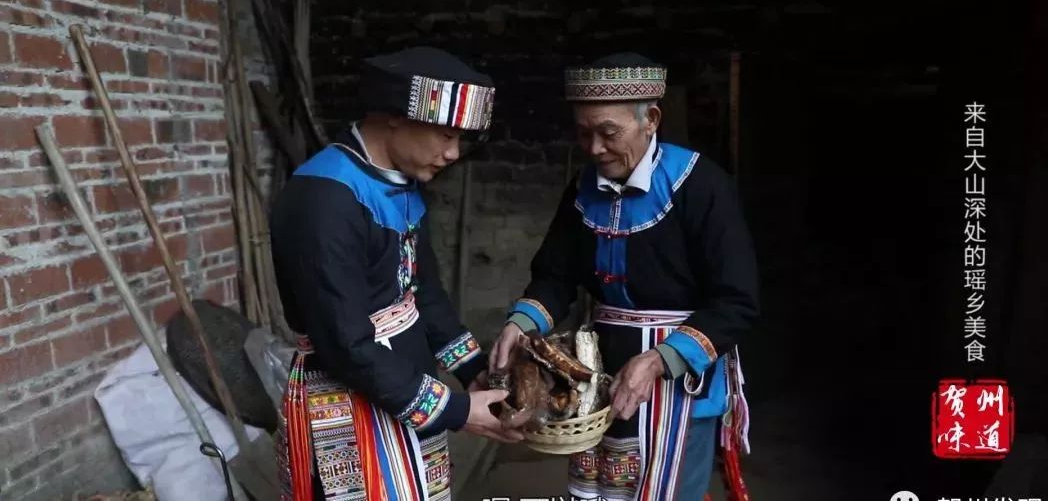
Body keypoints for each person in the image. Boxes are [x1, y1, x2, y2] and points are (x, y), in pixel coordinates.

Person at [490, 52, 759, 501]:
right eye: (583, 133)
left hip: (679, 377)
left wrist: (657, 361)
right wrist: (521, 324)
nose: (594, 148)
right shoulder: (583, 189)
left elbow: (737, 301)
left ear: (650, 120)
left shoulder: (699, 185)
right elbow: (555, 277)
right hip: (599, 372)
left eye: (608, 133)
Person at [271, 46, 522, 501]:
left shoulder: (399, 182)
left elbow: (422, 292)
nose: (453, 153)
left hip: (406, 385)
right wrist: (454, 410)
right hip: (348, 399)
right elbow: (344, 342)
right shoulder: (323, 198)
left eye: (461, 139)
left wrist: (473, 371)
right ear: (393, 117)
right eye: (445, 135)